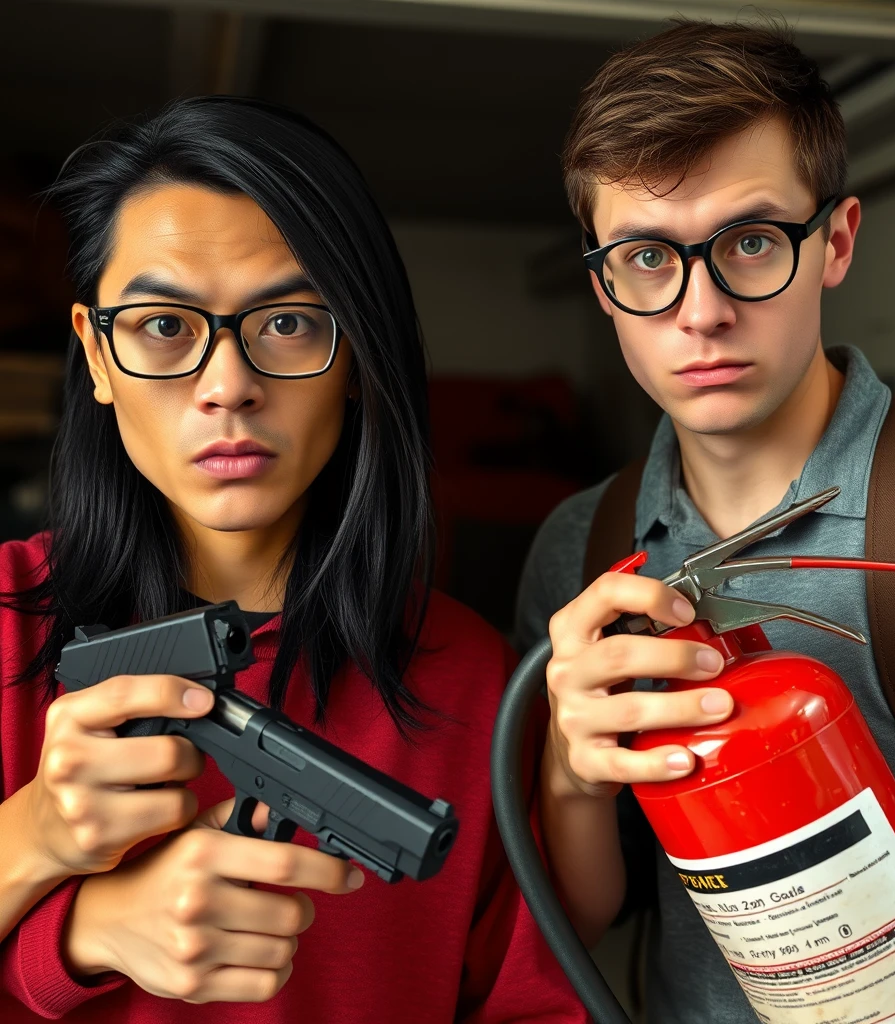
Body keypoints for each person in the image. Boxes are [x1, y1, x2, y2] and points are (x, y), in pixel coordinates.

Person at [0, 96, 585, 1023]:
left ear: (356, 354)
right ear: (96, 355)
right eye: (163, 326)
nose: (228, 385)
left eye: (288, 324)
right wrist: (54, 881)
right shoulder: (2, 615)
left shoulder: (475, 680)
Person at [516, 18, 895, 1023]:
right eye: (647, 257)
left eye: (749, 242)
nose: (699, 310)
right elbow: (570, 926)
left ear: (833, 242)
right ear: (601, 286)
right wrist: (570, 779)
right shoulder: (579, 547)